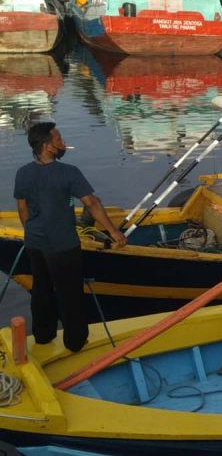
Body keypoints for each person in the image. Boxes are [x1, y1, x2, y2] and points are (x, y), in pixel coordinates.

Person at [14, 122, 127, 352]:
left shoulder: (23, 172)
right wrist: (114, 231)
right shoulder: (68, 172)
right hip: (63, 245)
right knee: (70, 294)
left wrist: (31, 232)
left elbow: (22, 208)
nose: (62, 142)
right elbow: (92, 203)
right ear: (47, 146)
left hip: (35, 242)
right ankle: (75, 341)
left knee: (41, 289)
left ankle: (43, 336)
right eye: (58, 139)